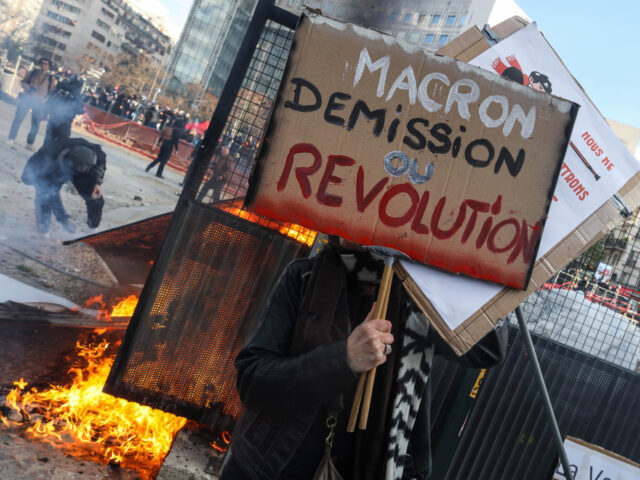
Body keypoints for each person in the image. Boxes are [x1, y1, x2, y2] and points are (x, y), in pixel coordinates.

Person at [220, 237, 508, 480]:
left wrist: (452, 268)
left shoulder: (423, 300)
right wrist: (343, 359)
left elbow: (488, 349)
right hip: (270, 466)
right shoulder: (304, 277)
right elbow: (252, 381)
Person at [21, 137, 106, 234]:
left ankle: (92, 229)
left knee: (95, 196)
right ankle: (43, 230)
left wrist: (96, 182)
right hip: (55, 168)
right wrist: (63, 219)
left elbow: (101, 164)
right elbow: (52, 195)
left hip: (81, 172)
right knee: (44, 195)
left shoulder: (96, 154)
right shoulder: (51, 154)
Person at [7, 57, 56, 150]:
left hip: (39, 103)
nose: (43, 65)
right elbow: (23, 82)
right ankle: (11, 138)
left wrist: (44, 101)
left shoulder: (50, 78)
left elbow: (50, 93)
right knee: (18, 119)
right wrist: (30, 88)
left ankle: (30, 143)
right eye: (42, 63)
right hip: (27, 99)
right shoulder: (32, 72)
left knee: (35, 125)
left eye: (46, 64)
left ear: (49, 66)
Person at [42, 74, 85, 149]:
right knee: (61, 145)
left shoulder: (60, 88)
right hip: (65, 123)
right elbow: (80, 110)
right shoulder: (77, 94)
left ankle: (41, 158)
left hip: (53, 119)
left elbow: (50, 102)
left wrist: (45, 113)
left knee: (48, 141)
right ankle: (50, 159)